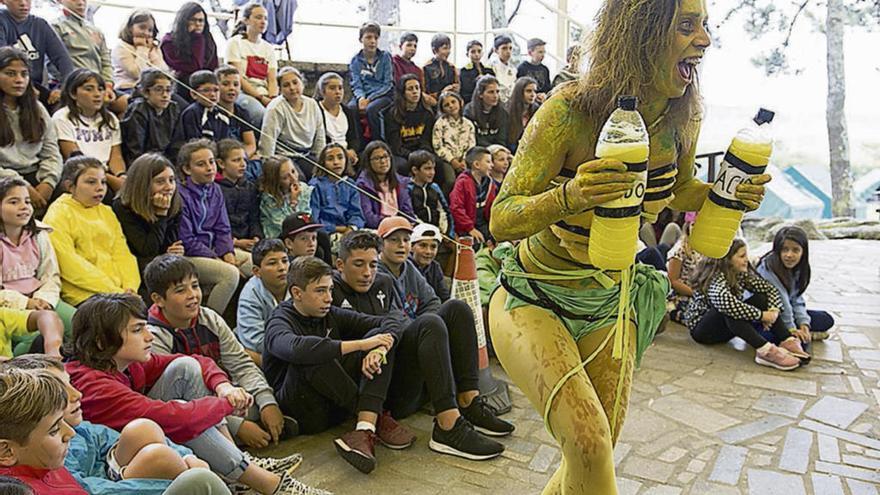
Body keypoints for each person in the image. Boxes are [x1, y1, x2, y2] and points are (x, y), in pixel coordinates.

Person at [486, 0, 770, 491]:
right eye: (687, 26)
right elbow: (502, 217)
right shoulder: (569, 111)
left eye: (705, 27)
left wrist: (727, 194)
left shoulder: (683, 116)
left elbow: (679, 192)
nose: (704, 40)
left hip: (611, 302)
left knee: (591, 455)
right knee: (590, 444)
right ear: (641, 33)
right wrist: (571, 194)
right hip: (534, 297)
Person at [64, 293, 327, 495]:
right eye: (136, 330)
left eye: (145, 326)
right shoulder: (93, 385)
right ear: (102, 342)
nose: (148, 336)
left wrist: (225, 387)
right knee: (181, 417)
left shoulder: (124, 362)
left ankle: (239, 468)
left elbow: (195, 360)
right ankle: (263, 482)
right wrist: (224, 405)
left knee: (185, 368)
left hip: (137, 440)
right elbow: (173, 418)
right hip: (118, 459)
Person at [337, 227, 511, 459]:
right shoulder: (330, 291)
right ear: (340, 265)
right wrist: (375, 343)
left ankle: (468, 402)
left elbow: (399, 319)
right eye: (359, 264)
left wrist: (385, 342)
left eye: (372, 264)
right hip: (378, 390)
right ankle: (447, 428)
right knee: (429, 323)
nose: (367, 272)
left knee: (456, 308)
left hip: (401, 370)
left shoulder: (383, 282)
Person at [263, 255, 413, 474]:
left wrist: (379, 346)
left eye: (331, 290)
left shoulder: (329, 312)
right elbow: (295, 348)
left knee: (378, 337)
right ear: (297, 293)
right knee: (313, 355)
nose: (328, 298)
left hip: (334, 404)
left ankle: (365, 425)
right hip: (302, 410)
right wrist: (361, 344)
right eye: (320, 291)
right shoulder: (279, 320)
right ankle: (373, 417)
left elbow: (395, 319)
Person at [4, 353, 233, 495]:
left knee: (144, 429)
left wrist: (186, 458)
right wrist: (177, 476)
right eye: (55, 428)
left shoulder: (50, 452)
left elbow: (104, 437)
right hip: (116, 484)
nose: (69, 431)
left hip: (114, 475)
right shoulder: (23, 487)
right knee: (198, 480)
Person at [143, 254, 295, 449]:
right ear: (158, 299)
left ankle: (252, 427)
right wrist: (237, 426)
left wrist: (267, 403)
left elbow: (240, 363)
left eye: (195, 286)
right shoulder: (153, 337)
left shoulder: (209, 318)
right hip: (181, 408)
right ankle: (239, 437)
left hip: (220, 397)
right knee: (194, 419)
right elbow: (176, 400)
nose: (193, 295)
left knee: (255, 403)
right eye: (181, 290)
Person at [684, 239, 808, 369]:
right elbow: (726, 303)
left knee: (760, 298)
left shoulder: (739, 274)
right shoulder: (716, 278)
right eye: (742, 256)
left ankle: (787, 340)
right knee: (729, 309)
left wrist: (773, 311)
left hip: (726, 328)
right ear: (727, 259)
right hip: (703, 331)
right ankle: (765, 350)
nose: (746, 260)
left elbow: (769, 289)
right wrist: (761, 316)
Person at [44, 156, 139, 307]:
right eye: (91, 182)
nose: (100, 188)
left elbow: (122, 253)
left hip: (120, 292)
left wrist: (130, 286)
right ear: (70, 186)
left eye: (103, 182)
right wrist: (113, 291)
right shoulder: (58, 213)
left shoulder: (107, 211)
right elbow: (68, 264)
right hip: (84, 295)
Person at [0, 177, 73, 355]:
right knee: (35, 337)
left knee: (80, 322)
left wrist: (44, 299)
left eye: (27, 201)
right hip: (10, 305)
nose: (24, 206)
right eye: (14, 202)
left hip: (41, 298)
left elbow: (50, 274)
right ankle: (21, 376)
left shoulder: (39, 234)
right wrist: (26, 303)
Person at [175, 139, 241, 315]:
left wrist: (229, 253)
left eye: (211, 162)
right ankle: (209, 322)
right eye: (201, 164)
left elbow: (223, 228)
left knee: (258, 261)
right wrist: (215, 258)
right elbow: (187, 240)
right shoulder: (180, 195)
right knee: (230, 275)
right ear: (187, 169)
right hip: (191, 255)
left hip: (214, 249)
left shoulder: (215, 190)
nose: (210, 168)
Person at [112, 153, 184, 302]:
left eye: (171, 180)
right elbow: (146, 249)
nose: (169, 187)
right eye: (160, 181)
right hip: (133, 263)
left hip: (158, 260)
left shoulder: (174, 202)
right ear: (143, 183)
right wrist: (161, 214)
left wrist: (175, 250)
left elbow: (171, 243)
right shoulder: (123, 206)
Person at [0, 367, 82, 493]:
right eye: (54, 430)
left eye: (63, 420)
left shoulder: (42, 461)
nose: (70, 433)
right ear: (6, 451)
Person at [0, 47, 62, 212]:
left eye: (24, 74)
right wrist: (23, 187)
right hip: (5, 178)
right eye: (10, 74)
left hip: (37, 174)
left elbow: (51, 152)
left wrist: (48, 182)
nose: (19, 80)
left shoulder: (37, 108)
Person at [53, 69, 126, 196]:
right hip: (80, 175)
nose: (97, 94)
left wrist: (121, 176)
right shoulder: (62, 117)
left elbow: (116, 156)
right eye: (89, 89)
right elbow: (75, 159)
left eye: (100, 89)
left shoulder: (110, 119)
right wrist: (112, 180)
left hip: (107, 175)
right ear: (73, 93)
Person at [756, 225, 835, 342]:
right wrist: (791, 329)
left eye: (795, 250)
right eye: (785, 249)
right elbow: (782, 301)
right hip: (765, 318)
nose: (789, 255)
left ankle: (805, 334)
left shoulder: (797, 269)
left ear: (803, 251)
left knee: (826, 319)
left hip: (786, 314)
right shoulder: (768, 268)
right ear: (778, 250)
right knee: (770, 337)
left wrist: (804, 325)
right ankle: (801, 336)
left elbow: (796, 300)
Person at [51, 0, 126, 116]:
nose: (81, 3)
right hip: (75, 82)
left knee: (126, 103)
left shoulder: (96, 31)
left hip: (100, 83)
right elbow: (52, 63)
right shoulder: (56, 27)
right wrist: (74, 83)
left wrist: (107, 85)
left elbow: (106, 61)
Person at [0, 0, 73, 106]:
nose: (23, 3)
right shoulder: (2, 20)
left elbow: (63, 59)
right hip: (7, 85)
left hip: (35, 85)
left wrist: (63, 88)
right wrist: (27, 86)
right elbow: (2, 59)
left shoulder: (40, 24)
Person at [259, 67, 325, 179]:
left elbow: (320, 136)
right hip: (284, 156)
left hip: (306, 155)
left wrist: (320, 160)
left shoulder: (312, 104)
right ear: (280, 89)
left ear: (302, 84)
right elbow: (268, 140)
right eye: (286, 85)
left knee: (321, 176)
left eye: (295, 83)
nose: (292, 88)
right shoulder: (275, 108)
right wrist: (268, 169)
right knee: (299, 179)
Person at [236, 239, 290, 365]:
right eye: (272, 263)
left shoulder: (298, 284)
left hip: (290, 348)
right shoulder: (250, 295)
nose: (282, 268)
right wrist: (294, 346)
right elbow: (256, 342)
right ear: (256, 271)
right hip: (270, 354)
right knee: (248, 354)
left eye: (285, 261)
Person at [225, 2, 278, 128]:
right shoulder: (235, 43)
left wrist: (273, 98)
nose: (263, 21)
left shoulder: (268, 48)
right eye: (258, 17)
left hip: (266, 95)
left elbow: (272, 79)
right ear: (246, 20)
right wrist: (261, 98)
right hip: (244, 93)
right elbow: (238, 78)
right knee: (260, 114)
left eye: (265, 18)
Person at [175, 71, 255, 154]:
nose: (212, 94)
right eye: (206, 90)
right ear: (194, 94)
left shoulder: (222, 114)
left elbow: (224, 142)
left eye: (216, 90)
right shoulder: (192, 113)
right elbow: (194, 145)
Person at [216, 138, 262, 275]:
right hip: (228, 244)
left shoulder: (249, 186)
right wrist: (236, 242)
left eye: (244, 160)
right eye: (236, 160)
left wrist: (256, 237)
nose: (243, 165)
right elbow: (218, 225)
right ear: (221, 163)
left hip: (248, 241)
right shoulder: (216, 189)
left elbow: (254, 217)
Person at [160, 2, 218, 103]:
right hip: (181, 84)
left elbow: (213, 66)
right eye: (193, 20)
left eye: (201, 21)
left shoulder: (207, 39)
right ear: (184, 21)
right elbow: (194, 67)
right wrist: (197, 38)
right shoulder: (169, 41)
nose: (198, 24)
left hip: (205, 85)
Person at [120, 68, 180, 164]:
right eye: (158, 90)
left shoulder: (173, 108)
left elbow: (176, 144)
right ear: (146, 92)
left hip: (165, 161)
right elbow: (135, 149)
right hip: (143, 162)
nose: (165, 95)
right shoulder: (138, 110)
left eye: (168, 90)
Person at [347, 22, 393, 142]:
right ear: (361, 39)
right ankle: (358, 143)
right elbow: (356, 83)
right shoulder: (355, 60)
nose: (372, 41)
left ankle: (379, 143)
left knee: (372, 109)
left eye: (375, 38)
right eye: (368, 37)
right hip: (363, 94)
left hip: (382, 95)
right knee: (351, 108)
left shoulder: (385, 57)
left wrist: (370, 99)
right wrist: (361, 98)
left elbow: (388, 83)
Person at [308, 143, 365, 240]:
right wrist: (339, 229)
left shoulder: (350, 184)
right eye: (330, 159)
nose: (336, 162)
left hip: (350, 232)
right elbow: (314, 219)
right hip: (326, 233)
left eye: (340, 158)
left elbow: (357, 214)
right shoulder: (315, 185)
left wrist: (350, 229)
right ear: (323, 163)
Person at [381, 73, 434, 175]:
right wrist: (412, 156)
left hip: (421, 152)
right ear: (403, 93)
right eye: (410, 89)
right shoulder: (392, 114)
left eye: (417, 88)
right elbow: (395, 145)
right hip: (401, 154)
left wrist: (422, 154)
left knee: (438, 165)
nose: (415, 92)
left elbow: (426, 140)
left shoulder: (427, 113)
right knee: (402, 166)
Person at [355, 141, 414, 229]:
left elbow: (408, 212)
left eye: (385, 157)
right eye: (377, 158)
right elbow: (369, 218)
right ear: (368, 162)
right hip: (378, 228)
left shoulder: (400, 182)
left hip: (401, 225)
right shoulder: (363, 185)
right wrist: (394, 224)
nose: (383, 161)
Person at [112, 9, 169, 94]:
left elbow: (164, 73)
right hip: (128, 89)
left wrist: (153, 54)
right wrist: (142, 49)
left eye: (150, 30)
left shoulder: (153, 47)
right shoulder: (121, 47)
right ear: (130, 28)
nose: (146, 33)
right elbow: (139, 74)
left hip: (154, 90)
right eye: (142, 27)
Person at [449, 146, 495, 246]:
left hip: (483, 224)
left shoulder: (490, 183)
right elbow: (456, 208)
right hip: (466, 227)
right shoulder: (462, 182)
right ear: (477, 164)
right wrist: (470, 229)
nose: (492, 165)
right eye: (488, 162)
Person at [259, 156, 312, 239]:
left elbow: (307, 218)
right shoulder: (269, 198)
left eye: (293, 171)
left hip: (301, 233)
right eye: (285, 177)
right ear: (276, 181)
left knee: (321, 237)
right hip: (279, 236)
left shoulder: (303, 188)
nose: (293, 178)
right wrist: (293, 202)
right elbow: (286, 226)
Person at [432, 90, 475, 192]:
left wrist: (464, 160)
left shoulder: (468, 124)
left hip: (465, 159)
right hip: (447, 160)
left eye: (453, 102)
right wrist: (452, 160)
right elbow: (438, 146)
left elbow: (471, 144)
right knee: (450, 180)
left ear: (460, 102)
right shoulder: (440, 124)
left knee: (472, 177)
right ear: (442, 109)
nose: (451, 106)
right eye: (446, 105)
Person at [316, 72, 360, 169]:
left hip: (347, 152)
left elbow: (354, 138)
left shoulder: (348, 111)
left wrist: (352, 150)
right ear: (323, 91)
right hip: (328, 153)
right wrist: (342, 153)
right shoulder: (316, 110)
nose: (338, 92)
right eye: (332, 88)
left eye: (340, 88)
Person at [214, 66, 258, 157]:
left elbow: (250, 144)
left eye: (236, 84)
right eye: (226, 84)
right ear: (216, 87)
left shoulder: (243, 113)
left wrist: (242, 157)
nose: (232, 88)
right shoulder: (212, 112)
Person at [666, 212, 702, 323]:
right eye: (693, 225)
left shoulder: (706, 249)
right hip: (682, 295)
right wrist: (695, 293)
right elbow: (673, 281)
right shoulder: (680, 249)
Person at [407, 150, 452, 237]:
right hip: (417, 233)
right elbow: (410, 214)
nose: (432, 173)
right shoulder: (408, 188)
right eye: (427, 169)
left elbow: (445, 210)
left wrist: (448, 233)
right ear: (415, 170)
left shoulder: (435, 187)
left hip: (438, 232)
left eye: (433, 168)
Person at [463, 75, 509, 149]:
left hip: (496, 151)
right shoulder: (469, 112)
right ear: (480, 94)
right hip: (477, 150)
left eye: (497, 92)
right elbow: (473, 140)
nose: (495, 96)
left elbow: (501, 139)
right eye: (491, 92)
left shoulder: (502, 113)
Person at [408, 222, 449, 302]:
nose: (428, 251)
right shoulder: (404, 267)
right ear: (411, 247)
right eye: (423, 245)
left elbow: (444, 297)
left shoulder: (435, 267)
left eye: (433, 247)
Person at [422, 34, 458, 107]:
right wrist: (442, 92)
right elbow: (425, 92)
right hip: (433, 104)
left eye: (449, 48)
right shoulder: (426, 68)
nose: (448, 51)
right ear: (434, 50)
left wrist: (455, 88)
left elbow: (456, 84)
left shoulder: (451, 67)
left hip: (451, 103)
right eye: (445, 48)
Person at [506, 76, 539, 153]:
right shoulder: (508, 110)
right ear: (519, 92)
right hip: (511, 147)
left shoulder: (536, 109)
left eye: (535, 91)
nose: (533, 94)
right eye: (528, 91)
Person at [487, 35, 515, 104]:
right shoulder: (490, 67)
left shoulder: (513, 69)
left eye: (510, 48)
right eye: (504, 48)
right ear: (496, 50)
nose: (508, 51)